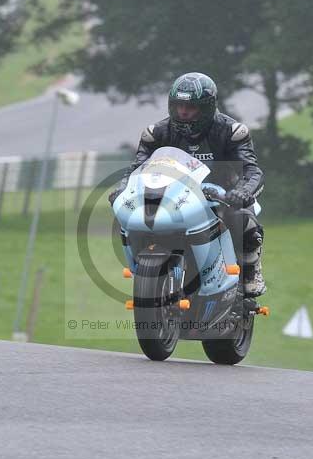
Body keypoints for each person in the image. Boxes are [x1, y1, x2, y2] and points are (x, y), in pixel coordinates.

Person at [108, 72, 266, 297]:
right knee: (130, 215)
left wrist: (242, 192)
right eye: (179, 105)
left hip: (222, 196)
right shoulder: (156, 133)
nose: (183, 112)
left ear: (207, 108)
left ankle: (251, 270)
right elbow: (136, 168)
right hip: (176, 196)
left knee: (240, 218)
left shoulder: (232, 132)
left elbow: (253, 170)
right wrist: (123, 189)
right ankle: (146, 272)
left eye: (190, 107)